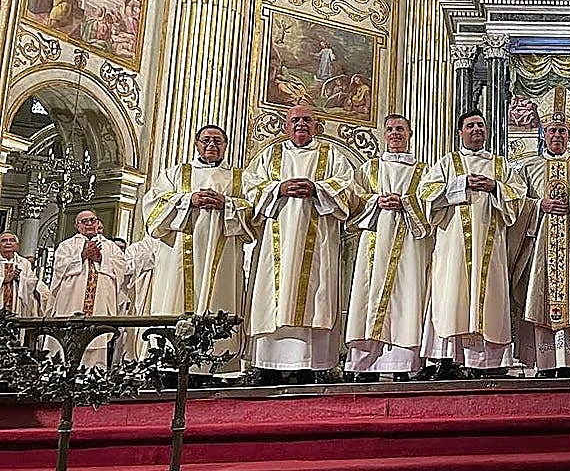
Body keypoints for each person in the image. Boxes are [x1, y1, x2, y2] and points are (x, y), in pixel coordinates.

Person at [243, 105, 355, 384]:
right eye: (295, 120)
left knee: (315, 295)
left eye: (307, 120)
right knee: (274, 296)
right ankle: (267, 364)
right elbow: (249, 187)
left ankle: (313, 364)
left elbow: (348, 190)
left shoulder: (333, 157)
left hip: (318, 243)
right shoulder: (269, 156)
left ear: (316, 126)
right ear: (285, 126)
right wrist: (278, 189)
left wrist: (318, 189)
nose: (301, 124)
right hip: (275, 240)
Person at [417, 110, 526, 379]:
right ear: (460, 132)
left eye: (480, 125)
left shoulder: (500, 166)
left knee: (490, 299)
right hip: (453, 246)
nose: (476, 129)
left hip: (491, 246)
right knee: (451, 297)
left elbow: (518, 197)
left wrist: (495, 187)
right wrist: (460, 184)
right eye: (470, 126)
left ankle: (490, 363)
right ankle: (447, 359)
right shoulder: (447, 163)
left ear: (487, 131)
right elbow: (426, 195)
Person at [141, 124, 255, 371]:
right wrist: (187, 200)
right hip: (178, 257)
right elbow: (152, 207)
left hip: (223, 257)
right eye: (206, 140)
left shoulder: (239, 178)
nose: (211, 145)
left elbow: (253, 214)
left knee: (221, 303)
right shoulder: (175, 174)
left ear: (226, 146)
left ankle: (218, 366)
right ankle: (168, 364)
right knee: (177, 300)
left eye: (218, 141)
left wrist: (227, 204)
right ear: (196, 143)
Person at [511, 88, 570, 378]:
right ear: (543, 132)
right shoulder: (529, 168)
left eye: (562, 131)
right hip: (540, 252)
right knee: (539, 300)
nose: (557, 136)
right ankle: (544, 362)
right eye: (552, 130)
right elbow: (515, 206)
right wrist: (539, 205)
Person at [344, 114, 433, 382]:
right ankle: (363, 363)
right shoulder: (369, 168)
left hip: (409, 246)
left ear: (410, 133)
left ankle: (404, 363)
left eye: (401, 129)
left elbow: (430, 204)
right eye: (391, 129)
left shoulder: (423, 171)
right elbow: (353, 200)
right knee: (367, 297)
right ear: (384, 134)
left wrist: (405, 202)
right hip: (375, 240)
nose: (395, 133)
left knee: (407, 297)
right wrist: (377, 202)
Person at [48, 210, 127, 368]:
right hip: (71, 303)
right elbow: (58, 269)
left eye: (93, 220)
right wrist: (81, 256)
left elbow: (121, 268)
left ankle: (94, 381)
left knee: (96, 340)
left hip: (99, 304)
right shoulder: (66, 246)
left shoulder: (111, 247)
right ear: (77, 226)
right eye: (84, 221)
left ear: (98, 223)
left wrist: (101, 259)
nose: (89, 224)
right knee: (66, 342)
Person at [1, 231, 48, 317]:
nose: (8, 243)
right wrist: (4, 279)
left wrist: (20, 279)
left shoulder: (24, 263)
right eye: (4, 240)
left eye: (12, 240)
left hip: (17, 305)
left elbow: (32, 282)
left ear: (17, 246)